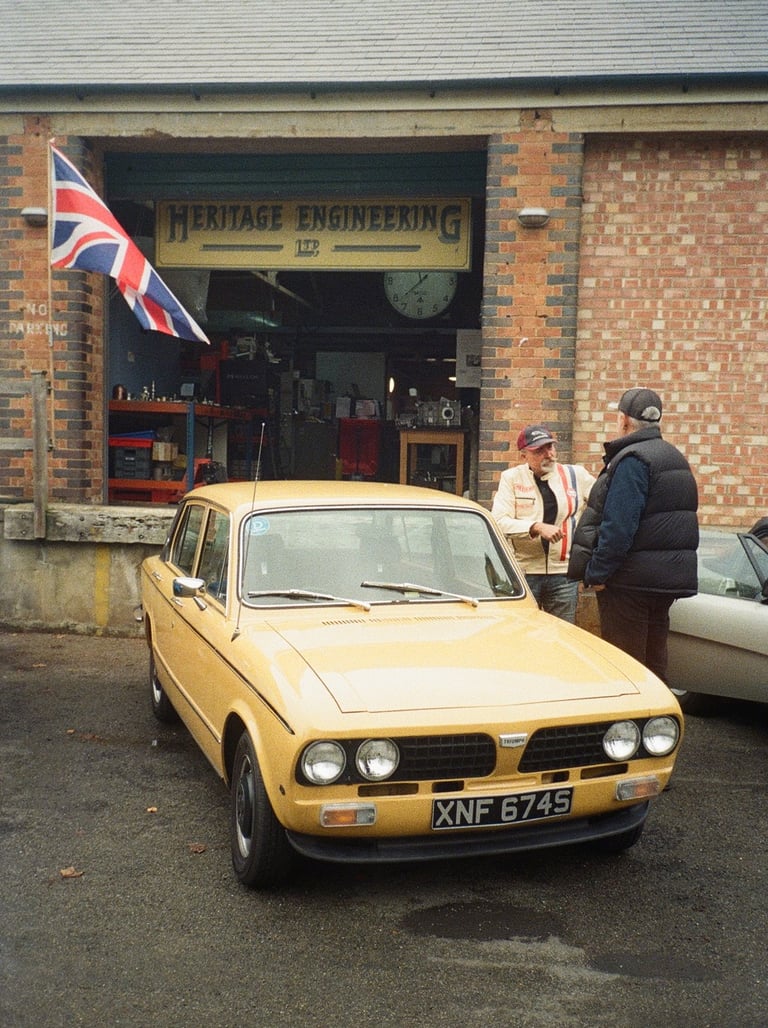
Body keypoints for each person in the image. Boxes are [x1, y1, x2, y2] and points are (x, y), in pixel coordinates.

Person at [567, 387, 699, 682]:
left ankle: (630, 727)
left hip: (629, 583)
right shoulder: (674, 458)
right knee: (653, 667)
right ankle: (657, 727)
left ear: (624, 420)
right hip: (664, 583)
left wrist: (598, 574)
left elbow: (618, 528)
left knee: (625, 670)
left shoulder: (632, 459)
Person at [492, 424, 595, 622]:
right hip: (524, 572)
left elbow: (603, 509)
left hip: (563, 573)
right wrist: (535, 527)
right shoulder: (511, 478)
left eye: (550, 447)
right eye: (539, 450)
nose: (548, 454)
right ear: (524, 456)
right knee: (521, 634)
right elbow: (498, 522)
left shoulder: (576, 476)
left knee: (561, 636)